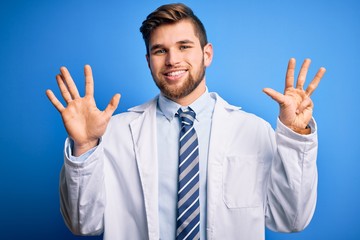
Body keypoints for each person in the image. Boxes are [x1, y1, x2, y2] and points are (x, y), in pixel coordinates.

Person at [46, 3, 326, 240]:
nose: (172, 59)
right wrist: (84, 146)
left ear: (207, 54)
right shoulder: (114, 132)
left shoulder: (252, 130)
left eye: (184, 46)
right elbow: (83, 223)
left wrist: (295, 134)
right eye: (160, 50)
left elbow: (291, 219)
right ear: (148, 61)